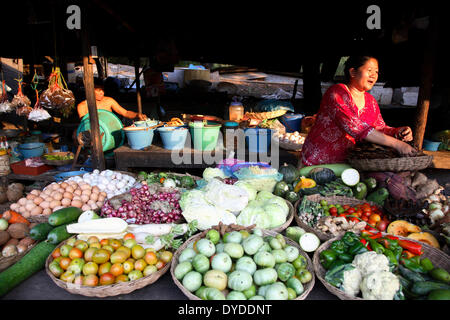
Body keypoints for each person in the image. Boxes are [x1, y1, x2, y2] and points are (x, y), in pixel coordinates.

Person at [301, 55, 416, 166]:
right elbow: (357, 128)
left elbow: (379, 128)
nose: (373, 75)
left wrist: (397, 132)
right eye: (369, 70)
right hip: (318, 161)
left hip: (349, 163)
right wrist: (398, 145)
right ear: (353, 72)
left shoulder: (371, 102)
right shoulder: (336, 93)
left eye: (376, 71)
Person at [77, 80, 147, 120]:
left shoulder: (109, 101)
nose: (102, 92)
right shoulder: (82, 106)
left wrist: (137, 115)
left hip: (111, 128)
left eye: (103, 90)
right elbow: (84, 124)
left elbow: (125, 113)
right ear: (90, 91)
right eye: (99, 90)